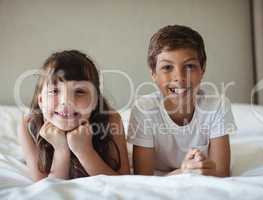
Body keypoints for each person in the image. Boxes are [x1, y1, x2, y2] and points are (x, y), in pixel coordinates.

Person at [127, 25, 236, 176]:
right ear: (153, 73)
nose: (179, 77)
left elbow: (221, 173)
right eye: (167, 67)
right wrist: (183, 172)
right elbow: (144, 178)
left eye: (190, 66)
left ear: (203, 69)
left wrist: (198, 169)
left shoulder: (217, 106)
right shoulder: (144, 109)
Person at [19, 50, 130, 181]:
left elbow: (123, 181)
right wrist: (61, 150)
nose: (66, 101)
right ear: (41, 101)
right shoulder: (29, 126)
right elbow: (44, 188)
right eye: (55, 91)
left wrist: (84, 150)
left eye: (79, 91)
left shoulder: (111, 120)